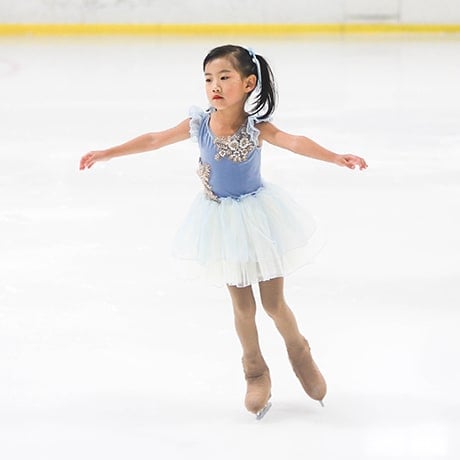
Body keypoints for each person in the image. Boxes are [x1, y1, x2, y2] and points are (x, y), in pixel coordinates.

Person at [80, 44, 367, 419]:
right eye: (208, 79)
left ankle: (299, 350)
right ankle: (255, 369)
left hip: (259, 220)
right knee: (242, 307)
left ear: (249, 83)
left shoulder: (256, 128)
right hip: (220, 224)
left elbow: (294, 142)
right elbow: (153, 139)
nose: (214, 85)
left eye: (224, 77)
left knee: (274, 304)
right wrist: (107, 152)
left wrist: (334, 156)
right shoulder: (198, 123)